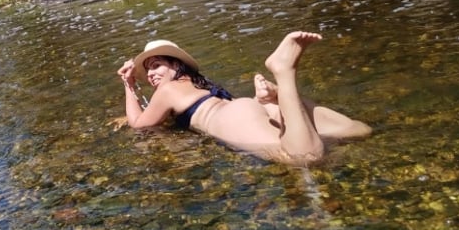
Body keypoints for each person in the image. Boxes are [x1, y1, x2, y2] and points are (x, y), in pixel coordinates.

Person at [115, 31, 371, 165]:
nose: (150, 74)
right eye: (146, 70)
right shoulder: (199, 86)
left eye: (156, 65)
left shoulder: (168, 91)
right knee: (358, 131)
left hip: (228, 118)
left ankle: (284, 72)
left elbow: (140, 124)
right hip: (245, 107)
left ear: (176, 65)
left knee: (305, 158)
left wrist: (128, 84)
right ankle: (279, 98)